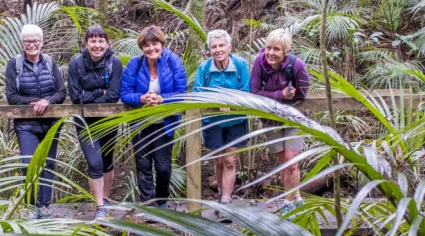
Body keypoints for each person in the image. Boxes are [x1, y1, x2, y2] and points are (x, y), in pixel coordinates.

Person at [120, 25, 188, 208]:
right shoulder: (135, 64)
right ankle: (148, 206)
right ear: (142, 47)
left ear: (162, 43)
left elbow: (182, 92)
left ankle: (162, 202)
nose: (151, 48)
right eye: (147, 45)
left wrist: (162, 99)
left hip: (164, 124)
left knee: (163, 167)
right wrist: (141, 98)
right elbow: (125, 93)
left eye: (155, 43)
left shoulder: (173, 61)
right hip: (141, 124)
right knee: (143, 165)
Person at [5, 24, 67, 219]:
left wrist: (46, 101)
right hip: (26, 125)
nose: (32, 45)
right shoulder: (14, 64)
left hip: (51, 123)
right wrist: (33, 103)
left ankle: (45, 206)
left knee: (48, 163)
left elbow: (61, 92)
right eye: (28, 41)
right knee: (28, 163)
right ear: (22, 43)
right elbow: (11, 96)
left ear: (41, 42)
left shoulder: (50, 63)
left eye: (35, 41)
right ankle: (31, 207)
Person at [249, 28, 310, 214]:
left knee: (291, 162)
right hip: (270, 119)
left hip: (294, 118)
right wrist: (280, 94)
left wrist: (292, 94)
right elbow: (254, 92)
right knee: (283, 160)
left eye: (276, 49)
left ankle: (287, 203)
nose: (271, 53)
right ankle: (296, 195)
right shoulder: (259, 64)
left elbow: (304, 91)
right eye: (268, 48)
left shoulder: (296, 66)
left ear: (285, 52)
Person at [68, 26, 123, 220]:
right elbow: (75, 97)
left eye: (101, 41)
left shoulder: (114, 63)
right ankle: (99, 206)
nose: (97, 45)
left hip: (109, 120)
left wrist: (89, 97)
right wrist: (101, 93)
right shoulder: (76, 64)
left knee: (107, 161)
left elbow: (115, 95)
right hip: (85, 121)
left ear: (107, 44)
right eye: (93, 41)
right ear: (86, 43)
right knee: (94, 162)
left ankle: (105, 200)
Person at [193, 29, 251, 207]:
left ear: (229, 47)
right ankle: (220, 194)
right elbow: (197, 92)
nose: (218, 50)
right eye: (214, 47)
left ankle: (226, 201)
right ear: (209, 49)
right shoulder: (204, 68)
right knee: (218, 160)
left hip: (237, 120)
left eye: (221, 46)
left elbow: (247, 91)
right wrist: (217, 101)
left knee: (230, 160)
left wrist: (229, 100)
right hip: (213, 122)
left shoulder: (240, 64)